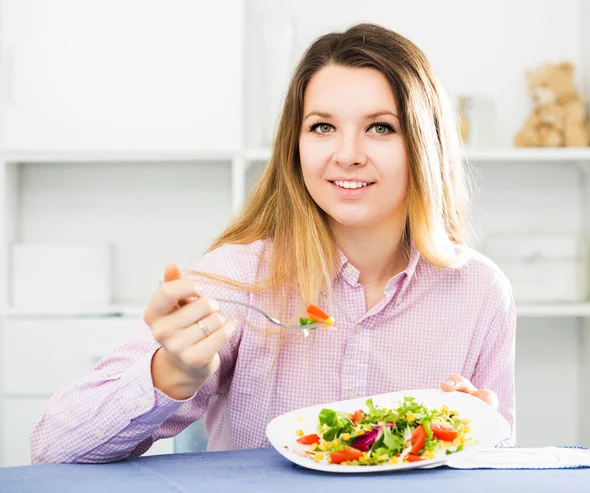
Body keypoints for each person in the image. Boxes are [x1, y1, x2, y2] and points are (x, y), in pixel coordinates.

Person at [31, 23, 515, 464]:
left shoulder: (478, 291)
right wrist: (170, 375)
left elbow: (499, 462)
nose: (347, 155)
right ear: (295, 145)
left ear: (423, 144)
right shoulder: (239, 280)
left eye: (380, 128)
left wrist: (476, 434)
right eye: (322, 127)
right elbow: (52, 448)